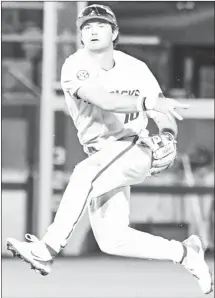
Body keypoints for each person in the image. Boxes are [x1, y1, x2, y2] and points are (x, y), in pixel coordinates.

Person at [6, 4, 213, 295]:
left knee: (84, 174)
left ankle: (46, 248)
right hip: (105, 157)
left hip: (134, 146)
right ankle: (185, 253)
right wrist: (147, 104)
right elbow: (103, 99)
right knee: (111, 239)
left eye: (100, 25)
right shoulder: (74, 65)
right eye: (86, 26)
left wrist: (168, 136)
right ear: (80, 35)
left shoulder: (136, 68)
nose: (92, 30)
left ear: (114, 32)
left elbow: (164, 110)